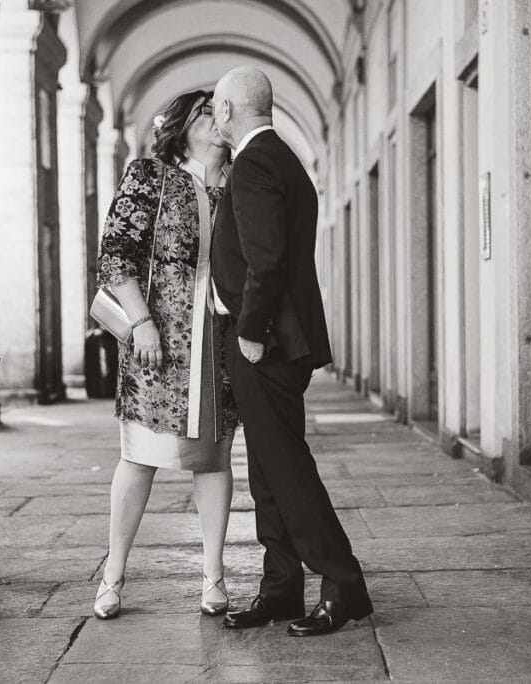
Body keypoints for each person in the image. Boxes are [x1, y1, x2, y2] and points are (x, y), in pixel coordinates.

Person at [210, 67, 373, 637]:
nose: (214, 116)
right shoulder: (281, 158)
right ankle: (280, 587)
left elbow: (267, 259)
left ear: (228, 110)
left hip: (266, 342)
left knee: (286, 468)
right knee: (267, 471)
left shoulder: (255, 162)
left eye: (216, 107)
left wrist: (251, 331)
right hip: (279, 338)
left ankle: (343, 583)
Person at [93, 90, 239, 620]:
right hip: (156, 343)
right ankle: (113, 575)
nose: (217, 118)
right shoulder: (149, 177)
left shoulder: (240, 184)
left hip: (219, 344)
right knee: (139, 455)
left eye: (221, 110)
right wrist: (141, 322)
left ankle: (214, 576)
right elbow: (116, 255)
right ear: (182, 125)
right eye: (206, 111)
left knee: (214, 457)